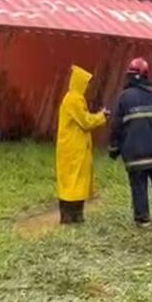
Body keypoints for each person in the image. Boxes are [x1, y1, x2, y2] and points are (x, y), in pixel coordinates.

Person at [109, 58, 152, 227]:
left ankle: (143, 219)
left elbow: (116, 125)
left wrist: (114, 148)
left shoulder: (124, 98)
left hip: (134, 154)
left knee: (138, 186)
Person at [55, 65, 109, 224]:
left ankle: (73, 216)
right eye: (86, 83)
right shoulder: (74, 99)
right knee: (73, 183)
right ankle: (70, 217)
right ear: (80, 83)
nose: (88, 87)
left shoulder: (73, 98)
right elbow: (85, 122)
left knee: (74, 182)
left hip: (74, 149)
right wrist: (101, 116)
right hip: (73, 149)